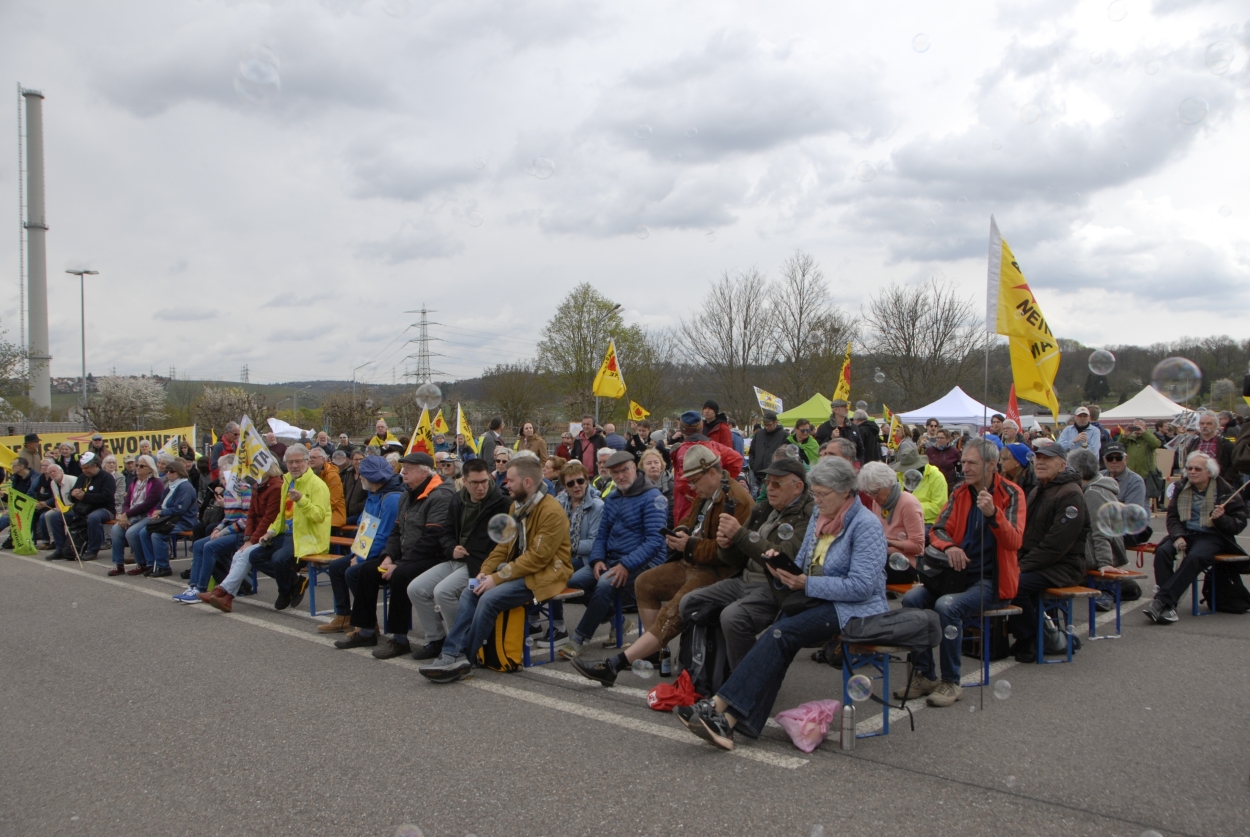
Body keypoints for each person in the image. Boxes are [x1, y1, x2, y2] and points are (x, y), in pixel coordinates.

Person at [674, 456, 887, 749]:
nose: (817, 500)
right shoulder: (821, 516)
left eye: (822, 495)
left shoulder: (866, 525)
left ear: (845, 492)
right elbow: (801, 561)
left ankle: (717, 708)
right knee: (776, 639)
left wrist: (805, 583)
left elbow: (861, 588)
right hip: (815, 598)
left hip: (852, 609)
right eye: (815, 494)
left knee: (779, 634)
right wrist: (782, 569)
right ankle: (727, 721)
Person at [571, 445, 751, 685]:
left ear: (712, 473)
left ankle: (614, 664)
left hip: (716, 571)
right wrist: (681, 531)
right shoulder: (708, 490)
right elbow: (689, 520)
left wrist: (688, 544)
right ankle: (653, 651)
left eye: (694, 481)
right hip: (690, 561)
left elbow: (728, 554)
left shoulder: (736, 500)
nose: (692, 487)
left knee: (670, 610)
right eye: (615, 472)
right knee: (645, 583)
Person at [418, 455, 572, 683]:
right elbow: (503, 545)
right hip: (516, 571)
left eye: (511, 480)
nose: (506, 484)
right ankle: (451, 654)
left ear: (527, 482)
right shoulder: (516, 506)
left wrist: (497, 578)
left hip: (545, 576)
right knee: (471, 590)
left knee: (489, 598)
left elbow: (537, 559)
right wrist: (486, 571)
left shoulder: (551, 511)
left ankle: (464, 659)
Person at [898, 438, 1024, 705]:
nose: (964, 468)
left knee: (947, 606)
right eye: (963, 462)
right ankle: (925, 674)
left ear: (991, 465)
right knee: (912, 599)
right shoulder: (960, 492)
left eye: (972, 463)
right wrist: (951, 547)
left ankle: (951, 681)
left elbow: (1014, 541)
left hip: (992, 581)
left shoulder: (1012, 493)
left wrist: (994, 514)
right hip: (956, 576)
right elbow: (937, 530)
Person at [677, 457, 815, 673]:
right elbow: (734, 559)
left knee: (733, 617)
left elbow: (785, 558)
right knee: (690, 602)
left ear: (797, 487)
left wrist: (739, 534)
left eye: (777, 483)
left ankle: (749, 680)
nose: (769, 488)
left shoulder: (807, 515)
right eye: (767, 482)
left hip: (774, 586)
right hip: (744, 578)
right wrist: (727, 545)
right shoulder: (764, 509)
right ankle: (709, 671)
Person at [334, 452, 453, 656]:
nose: (403, 472)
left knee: (400, 575)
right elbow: (396, 531)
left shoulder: (440, 496)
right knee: (364, 571)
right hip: (406, 556)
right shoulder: (407, 493)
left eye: (409, 469)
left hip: (432, 557)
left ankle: (399, 639)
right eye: (403, 468)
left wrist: (399, 564)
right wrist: (388, 556)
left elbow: (432, 538)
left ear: (424, 473)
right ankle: (366, 631)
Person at [556, 451, 665, 661]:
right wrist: (597, 559)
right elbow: (602, 535)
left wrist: (626, 565)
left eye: (624, 470)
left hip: (645, 562)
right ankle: (618, 621)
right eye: (615, 472)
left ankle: (579, 639)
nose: (620, 476)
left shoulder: (652, 497)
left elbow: (654, 541)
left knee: (605, 584)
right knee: (574, 582)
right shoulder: (613, 498)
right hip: (612, 559)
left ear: (634, 468)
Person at [407, 458, 510, 657]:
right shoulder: (457, 500)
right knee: (416, 588)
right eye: (475, 483)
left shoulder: (501, 504)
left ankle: (460, 644)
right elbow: (445, 532)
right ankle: (436, 640)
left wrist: (482, 562)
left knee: (443, 592)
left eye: (484, 481)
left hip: (479, 565)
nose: (480, 487)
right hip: (455, 559)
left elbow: (504, 544)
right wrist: (451, 548)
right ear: (464, 481)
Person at [1145, 451, 1248, 624]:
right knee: (1162, 551)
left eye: (1197, 469)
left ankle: (1162, 601)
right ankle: (1169, 607)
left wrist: (1221, 518)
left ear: (1209, 472)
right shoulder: (1181, 486)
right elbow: (1173, 517)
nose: (1192, 472)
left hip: (1212, 536)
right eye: (1189, 468)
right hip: (1186, 532)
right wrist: (1178, 536)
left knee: (1194, 557)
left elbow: (1238, 524)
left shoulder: (1225, 491)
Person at [1009, 442, 1088, 662]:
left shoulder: (1071, 494)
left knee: (1015, 584)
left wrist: (1021, 566)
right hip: (1040, 562)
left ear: (1062, 465)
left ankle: (1033, 639)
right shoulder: (1038, 489)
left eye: (1048, 458)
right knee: (1003, 578)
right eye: (1038, 458)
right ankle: (1031, 636)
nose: (1041, 462)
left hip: (1064, 565)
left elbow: (1056, 545)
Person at [317, 455, 405, 634]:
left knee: (354, 573)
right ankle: (344, 616)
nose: (360, 477)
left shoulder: (392, 499)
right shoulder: (374, 494)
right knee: (336, 567)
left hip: (386, 554)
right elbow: (363, 526)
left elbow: (384, 536)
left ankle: (368, 622)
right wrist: (356, 553)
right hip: (368, 549)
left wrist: (360, 557)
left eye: (362, 474)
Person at [247, 446, 332, 610]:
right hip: (287, 534)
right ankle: (294, 581)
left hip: (307, 536)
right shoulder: (286, 481)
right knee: (255, 556)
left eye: (298, 461)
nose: (294, 466)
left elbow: (319, 516)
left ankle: (284, 591)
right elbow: (282, 513)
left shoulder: (317, 485)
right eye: (290, 462)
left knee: (279, 559)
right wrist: (271, 531)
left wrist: (301, 500)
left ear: (307, 462)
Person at [197, 460, 283, 612]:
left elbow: (268, 518)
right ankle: (227, 597)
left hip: (272, 533)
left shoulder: (275, 487)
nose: (252, 472)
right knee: (238, 555)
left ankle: (220, 591)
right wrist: (248, 538)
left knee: (244, 555)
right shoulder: (258, 486)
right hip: (258, 533)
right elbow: (251, 516)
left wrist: (252, 539)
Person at [174, 456, 253, 603]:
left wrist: (223, 532)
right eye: (222, 478)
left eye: (227, 477)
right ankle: (193, 586)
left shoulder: (245, 490)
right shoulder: (228, 492)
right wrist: (218, 529)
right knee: (198, 545)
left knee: (209, 547)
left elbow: (246, 520)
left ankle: (201, 589)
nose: (224, 481)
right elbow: (227, 518)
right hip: (230, 529)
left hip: (241, 533)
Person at [670, 410, 744, 525]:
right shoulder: (715, 446)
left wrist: (685, 490)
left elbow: (683, 480)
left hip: (686, 508)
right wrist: (720, 480)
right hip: (713, 500)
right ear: (701, 427)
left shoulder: (682, 451)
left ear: (681, 429)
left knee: (686, 532)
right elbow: (737, 460)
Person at [859, 461, 925, 583]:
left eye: (875, 492)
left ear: (887, 484)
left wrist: (888, 542)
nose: (873, 497)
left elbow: (918, 546)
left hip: (907, 564)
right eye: (869, 493)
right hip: (884, 558)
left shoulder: (908, 503)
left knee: (865, 570)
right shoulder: (877, 501)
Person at [41, 452, 114, 562]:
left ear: (95, 465)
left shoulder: (107, 477)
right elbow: (71, 498)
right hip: (82, 509)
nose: (84, 471)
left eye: (87, 468)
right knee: (55, 517)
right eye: (82, 468)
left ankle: (92, 550)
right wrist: (73, 494)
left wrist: (85, 496)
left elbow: (106, 497)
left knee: (93, 518)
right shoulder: (82, 477)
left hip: (104, 508)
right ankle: (60, 548)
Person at [134, 458, 197, 576]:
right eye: (167, 471)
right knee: (144, 532)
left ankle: (163, 567)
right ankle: (151, 564)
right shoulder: (170, 486)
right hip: (168, 518)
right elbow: (161, 503)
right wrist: (158, 512)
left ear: (179, 472)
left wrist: (161, 513)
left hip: (182, 521)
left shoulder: (185, 487)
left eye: (171, 471)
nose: (168, 473)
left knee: (158, 535)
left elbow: (180, 509)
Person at [107, 455, 163, 575]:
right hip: (132, 514)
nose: (137, 468)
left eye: (141, 466)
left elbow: (148, 504)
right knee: (116, 529)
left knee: (131, 533)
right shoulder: (134, 481)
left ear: (150, 468)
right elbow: (127, 501)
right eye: (137, 465)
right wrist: (124, 514)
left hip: (148, 515)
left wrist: (127, 514)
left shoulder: (156, 483)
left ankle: (142, 563)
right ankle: (118, 564)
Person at [555, 460, 603, 573]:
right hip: (560, 553)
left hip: (583, 558)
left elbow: (594, 542)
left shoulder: (597, 506)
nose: (576, 486)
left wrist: (564, 546)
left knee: (553, 570)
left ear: (586, 481)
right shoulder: (560, 503)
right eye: (571, 483)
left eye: (580, 481)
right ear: (565, 487)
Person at [891, 442, 948, 525]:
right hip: (903, 518)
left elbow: (939, 507)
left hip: (927, 521)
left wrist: (910, 507)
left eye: (908, 468)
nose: (905, 471)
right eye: (904, 468)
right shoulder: (901, 474)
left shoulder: (936, 476)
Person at [1174, 411, 1234, 480]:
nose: (1205, 426)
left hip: (1217, 482)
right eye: (1202, 423)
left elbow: (1234, 466)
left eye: (1209, 423)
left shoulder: (1225, 444)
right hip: (1196, 482)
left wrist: (1225, 479)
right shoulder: (1193, 443)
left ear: (1216, 426)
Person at [0, 457, 40, 549]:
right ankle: (13, 537)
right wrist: (3, 496)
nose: (12, 468)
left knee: (6, 517)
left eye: (14, 466)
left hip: (30, 507)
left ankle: (15, 537)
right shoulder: (16, 478)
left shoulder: (34, 479)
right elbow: (14, 497)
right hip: (19, 506)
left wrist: (13, 509)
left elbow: (29, 498)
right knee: (6, 516)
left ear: (21, 466)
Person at [307, 446, 346, 528]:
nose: (310, 460)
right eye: (309, 457)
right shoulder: (308, 474)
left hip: (332, 516)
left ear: (323, 459)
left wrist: (315, 511)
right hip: (315, 513)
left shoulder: (332, 476)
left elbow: (333, 502)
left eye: (314, 457)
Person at [748, 410, 788, 486]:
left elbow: (785, 456)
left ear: (775, 422)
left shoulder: (784, 435)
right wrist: (753, 465)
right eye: (765, 424)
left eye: (769, 425)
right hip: (757, 474)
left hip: (773, 475)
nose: (766, 427)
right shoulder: (758, 434)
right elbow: (752, 452)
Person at [342, 449, 367, 523]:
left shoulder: (367, 475)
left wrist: (358, 507)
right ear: (352, 461)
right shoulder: (348, 474)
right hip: (346, 511)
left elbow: (370, 495)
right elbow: (344, 490)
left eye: (361, 459)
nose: (358, 461)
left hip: (360, 513)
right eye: (356, 459)